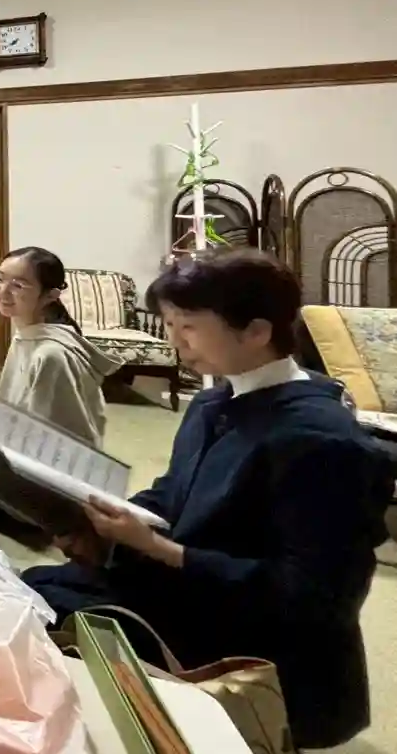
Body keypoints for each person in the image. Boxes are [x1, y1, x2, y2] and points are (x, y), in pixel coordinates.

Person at [22, 250, 391, 750]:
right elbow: (174, 493)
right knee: (29, 587)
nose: (175, 341)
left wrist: (159, 550)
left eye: (189, 326)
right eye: (170, 324)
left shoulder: (323, 441)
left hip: (261, 641)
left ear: (256, 331)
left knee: (50, 608)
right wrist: (103, 525)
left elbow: (311, 596)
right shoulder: (214, 400)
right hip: (198, 587)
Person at [0, 246, 120, 448]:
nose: (4, 291)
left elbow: (48, 440)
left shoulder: (51, 354)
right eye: (0, 279)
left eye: (18, 285)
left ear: (50, 295)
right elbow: (14, 408)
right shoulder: (26, 336)